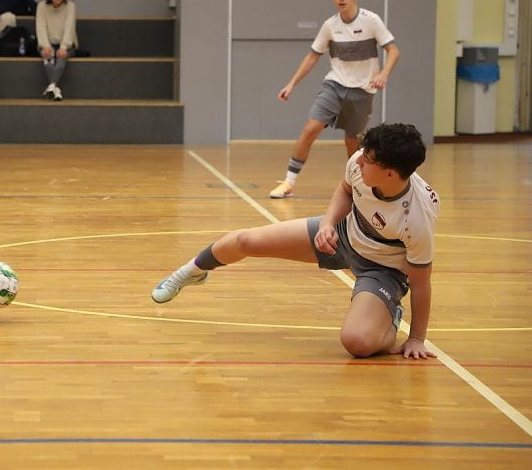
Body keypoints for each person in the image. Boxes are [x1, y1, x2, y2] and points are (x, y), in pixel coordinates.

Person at [153, 123, 439, 360]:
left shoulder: (418, 215)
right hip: (343, 233)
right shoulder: (360, 163)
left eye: (369, 160)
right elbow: (345, 190)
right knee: (248, 240)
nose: (359, 160)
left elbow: (421, 282)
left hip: (382, 270)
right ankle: (189, 272)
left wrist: (416, 338)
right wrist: (328, 224)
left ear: (390, 173)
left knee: (357, 342)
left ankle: (388, 312)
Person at [268, 0, 399, 199]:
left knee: (353, 145)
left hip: (363, 91)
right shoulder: (330, 25)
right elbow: (312, 56)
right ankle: (288, 182)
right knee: (310, 129)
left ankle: (360, 187)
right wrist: (291, 84)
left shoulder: (371, 21)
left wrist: (383, 74)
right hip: (335, 85)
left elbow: (393, 51)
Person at [35, 0, 77, 102]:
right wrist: (46, 46)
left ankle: (52, 86)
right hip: (47, 43)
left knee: (61, 56)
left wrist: (64, 46)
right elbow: (40, 27)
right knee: (47, 55)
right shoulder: (41, 7)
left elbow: (69, 27)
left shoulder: (70, 6)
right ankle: (55, 89)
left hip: (66, 44)